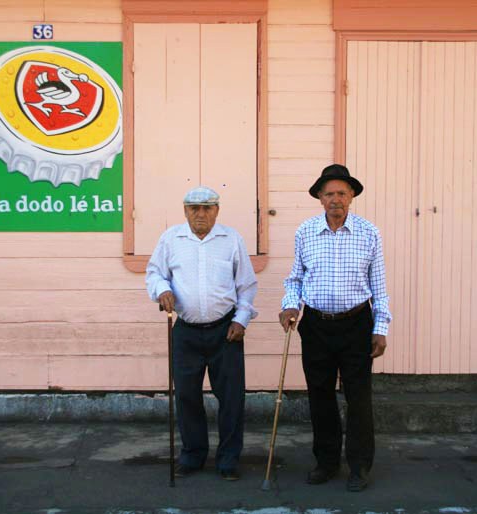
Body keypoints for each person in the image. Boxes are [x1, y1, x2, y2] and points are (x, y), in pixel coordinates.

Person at [279, 164, 391, 492]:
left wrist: (380, 327)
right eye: (329, 194)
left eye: (342, 193)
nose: (336, 199)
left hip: (357, 324)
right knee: (320, 396)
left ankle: (359, 466)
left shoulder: (369, 233)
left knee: (358, 398)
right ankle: (326, 462)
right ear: (320, 198)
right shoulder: (305, 232)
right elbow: (295, 278)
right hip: (315, 326)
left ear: (352, 196)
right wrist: (290, 303)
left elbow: (379, 286)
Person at [146, 186, 258, 481]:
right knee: (186, 396)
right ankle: (193, 456)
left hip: (226, 331)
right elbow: (154, 273)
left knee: (232, 398)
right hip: (186, 332)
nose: (200, 213)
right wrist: (163, 290)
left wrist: (242, 319)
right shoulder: (171, 239)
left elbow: (246, 284)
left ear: (217, 211)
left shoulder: (231, 239)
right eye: (194, 208)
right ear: (185, 211)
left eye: (207, 207)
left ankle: (228, 460)